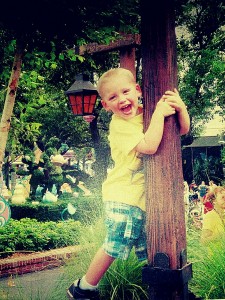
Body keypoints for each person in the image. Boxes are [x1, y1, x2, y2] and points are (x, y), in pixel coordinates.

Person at [67, 68, 190, 300]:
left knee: (150, 250)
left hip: (141, 199)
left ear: (137, 90)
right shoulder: (119, 125)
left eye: (125, 92)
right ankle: (83, 288)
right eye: (113, 97)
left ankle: (169, 293)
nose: (122, 99)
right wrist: (158, 115)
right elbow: (149, 146)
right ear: (106, 106)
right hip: (123, 195)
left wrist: (180, 108)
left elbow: (181, 130)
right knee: (115, 242)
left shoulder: (146, 114)